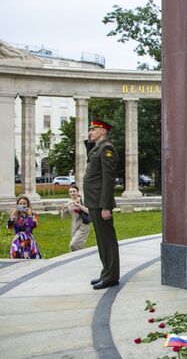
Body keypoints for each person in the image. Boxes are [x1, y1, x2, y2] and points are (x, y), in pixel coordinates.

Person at [83, 119, 120, 290]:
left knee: (107, 241)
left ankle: (111, 277)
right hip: (94, 202)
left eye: (93, 129)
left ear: (103, 131)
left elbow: (108, 179)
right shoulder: (98, 148)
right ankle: (106, 272)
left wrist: (106, 206)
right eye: (90, 130)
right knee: (101, 241)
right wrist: (90, 143)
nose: (90, 132)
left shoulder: (106, 149)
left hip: (100, 203)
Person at [60, 185, 91, 252]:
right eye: (70, 192)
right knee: (78, 246)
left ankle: (81, 257)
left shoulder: (83, 200)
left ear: (78, 192)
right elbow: (63, 217)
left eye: (74, 191)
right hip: (74, 226)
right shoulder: (69, 203)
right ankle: (80, 259)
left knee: (73, 244)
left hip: (83, 225)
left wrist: (79, 206)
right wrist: (63, 209)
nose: (72, 193)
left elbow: (90, 212)